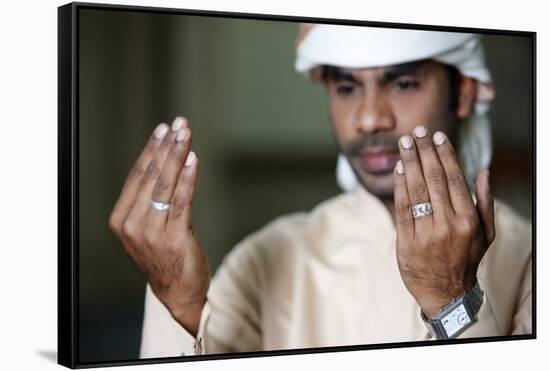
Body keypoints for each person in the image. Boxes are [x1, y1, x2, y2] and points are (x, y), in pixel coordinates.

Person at [108, 23, 532, 358]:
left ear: (464, 91)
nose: (368, 119)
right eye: (347, 88)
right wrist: (179, 305)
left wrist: (452, 300)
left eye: (402, 84)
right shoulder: (264, 259)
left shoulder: (532, 257)